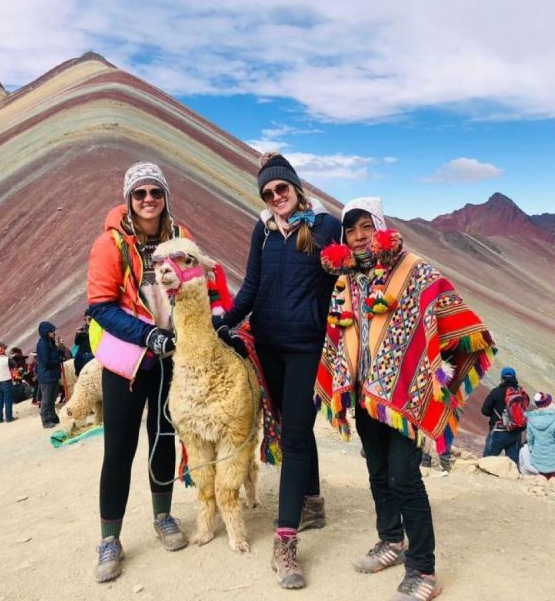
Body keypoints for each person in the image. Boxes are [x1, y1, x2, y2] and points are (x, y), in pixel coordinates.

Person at [315, 198, 496, 601]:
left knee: (404, 477)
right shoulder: (347, 279)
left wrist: (435, 370)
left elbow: (445, 308)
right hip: (366, 396)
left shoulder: (413, 270)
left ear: (379, 227)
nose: (359, 237)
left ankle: (423, 569)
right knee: (377, 471)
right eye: (351, 230)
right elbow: (340, 332)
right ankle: (391, 541)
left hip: (406, 398)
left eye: (366, 227)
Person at [211, 152, 341, 589]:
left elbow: (342, 272)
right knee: (289, 426)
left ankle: (285, 542)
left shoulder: (324, 227)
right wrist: (225, 321)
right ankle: (313, 502)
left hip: (306, 346)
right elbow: (252, 284)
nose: (275, 198)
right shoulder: (263, 230)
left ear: (296, 187)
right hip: (267, 344)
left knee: (298, 435)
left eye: (281, 189)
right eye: (267, 193)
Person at [86, 161, 191, 583]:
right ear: (129, 199)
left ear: (165, 197)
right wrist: (149, 336)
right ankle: (109, 538)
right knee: (120, 449)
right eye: (140, 193)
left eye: (156, 192)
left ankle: (163, 517)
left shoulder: (181, 241)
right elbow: (101, 305)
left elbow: (196, 287)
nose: (149, 200)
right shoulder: (109, 245)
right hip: (128, 364)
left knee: (163, 440)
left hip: (171, 362)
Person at [481, 366, 528, 463]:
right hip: (516, 433)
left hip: (498, 431)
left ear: (502, 378)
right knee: (513, 465)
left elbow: (485, 410)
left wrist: (495, 414)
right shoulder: (521, 393)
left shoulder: (496, 392)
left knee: (487, 462)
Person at [526, 392, 555, 480]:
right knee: (554, 478)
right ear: (549, 404)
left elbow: (530, 439)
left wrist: (531, 450)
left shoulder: (531, 420)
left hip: (539, 456)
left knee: (542, 478)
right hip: (553, 458)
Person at [36, 322, 63, 428]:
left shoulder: (51, 342)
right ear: (46, 332)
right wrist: (58, 360)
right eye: (52, 331)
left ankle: (52, 416)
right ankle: (45, 419)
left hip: (53, 374)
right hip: (46, 375)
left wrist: (60, 350)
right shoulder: (42, 345)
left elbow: (56, 355)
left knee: (53, 397)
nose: (54, 333)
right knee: (47, 399)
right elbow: (46, 362)